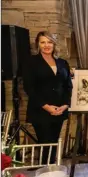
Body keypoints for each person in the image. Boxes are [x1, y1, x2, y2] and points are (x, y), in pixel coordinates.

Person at [23, 31, 72, 164]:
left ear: (54, 44)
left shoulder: (62, 62)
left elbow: (68, 86)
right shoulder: (30, 62)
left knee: (54, 142)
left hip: (60, 109)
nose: (46, 45)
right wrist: (46, 107)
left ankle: (51, 170)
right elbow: (29, 88)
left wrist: (66, 105)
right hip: (41, 110)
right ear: (38, 44)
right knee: (45, 143)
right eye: (43, 42)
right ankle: (45, 172)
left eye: (49, 42)